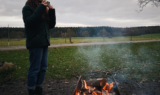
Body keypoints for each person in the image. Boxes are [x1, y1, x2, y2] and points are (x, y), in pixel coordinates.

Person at [22, 0, 56, 95]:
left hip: (44, 42)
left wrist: (51, 11)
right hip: (35, 43)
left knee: (43, 67)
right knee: (35, 68)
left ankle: (38, 88)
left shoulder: (43, 9)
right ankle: (31, 89)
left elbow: (51, 25)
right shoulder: (27, 8)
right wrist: (41, 7)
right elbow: (29, 22)